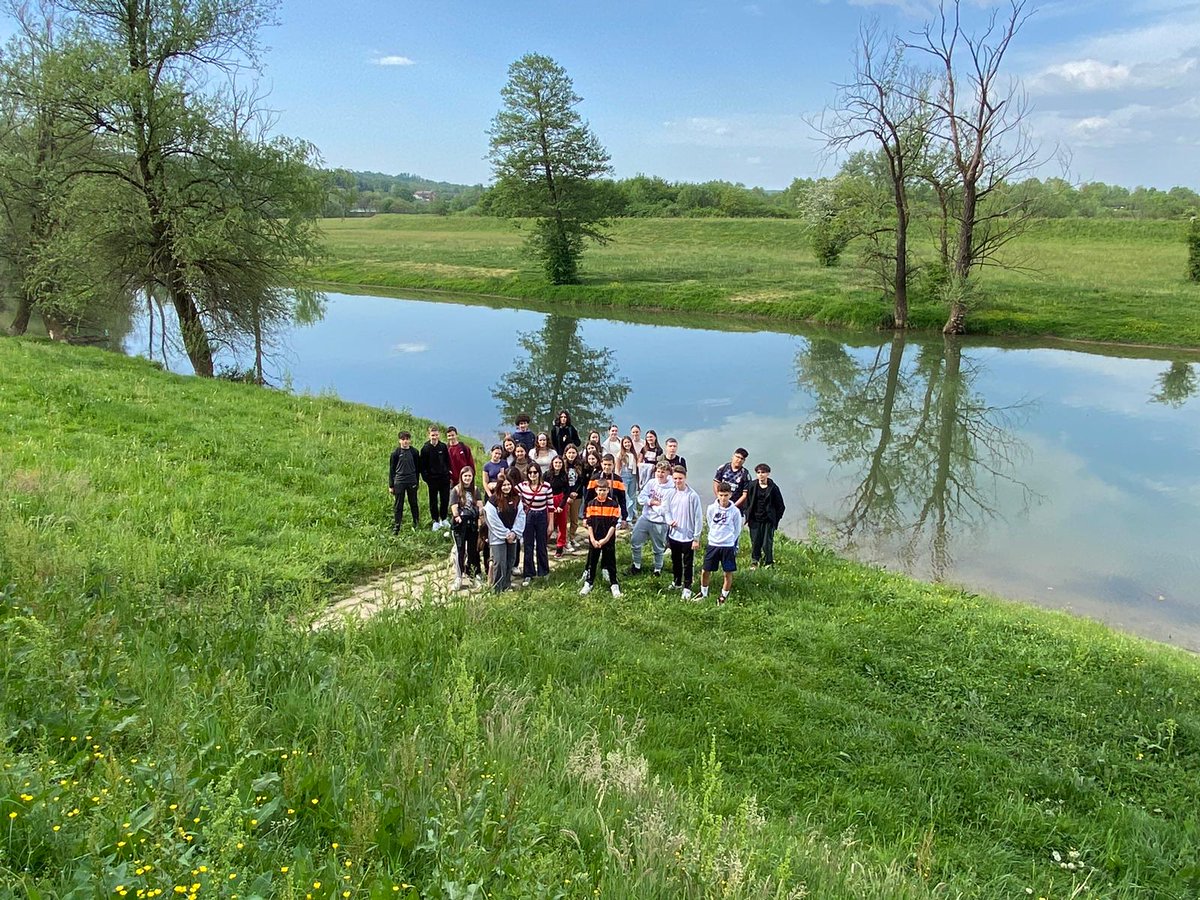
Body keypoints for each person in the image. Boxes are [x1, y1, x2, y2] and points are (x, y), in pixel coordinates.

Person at [663, 465, 704, 600]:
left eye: (680, 478)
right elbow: (666, 510)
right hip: (674, 534)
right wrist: (669, 521)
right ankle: (677, 582)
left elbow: (698, 518)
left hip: (688, 536)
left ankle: (687, 587)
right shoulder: (670, 493)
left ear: (685, 478)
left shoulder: (692, 496)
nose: (677, 481)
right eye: (675, 479)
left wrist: (696, 538)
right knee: (675, 560)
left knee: (688, 563)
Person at [701, 482, 743, 604]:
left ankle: (723, 596)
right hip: (713, 544)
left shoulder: (735, 511)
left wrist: (730, 540)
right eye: (721, 495)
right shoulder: (711, 508)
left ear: (730, 495)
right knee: (705, 570)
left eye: (726, 495)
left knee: (727, 572)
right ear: (717, 495)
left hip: (727, 545)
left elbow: (737, 529)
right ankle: (704, 594)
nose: (723, 498)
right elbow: (710, 523)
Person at [629, 461, 673, 576]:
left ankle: (657, 569)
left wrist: (652, 505)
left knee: (658, 547)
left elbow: (664, 509)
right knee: (635, 540)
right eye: (658, 471)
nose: (660, 474)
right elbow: (641, 498)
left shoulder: (671, 488)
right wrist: (651, 502)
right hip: (645, 517)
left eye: (663, 472)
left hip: (660, 522)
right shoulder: (651, 483)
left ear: (668, 473)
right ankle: (636, 565)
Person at [580, 479, 621, 598]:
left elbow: (614, 524)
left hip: (608, 538)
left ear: (608, 490)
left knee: (610, 561)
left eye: (604, 490)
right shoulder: (591, 504)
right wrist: (592, 539)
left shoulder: (613, 504)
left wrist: (606, 539)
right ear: (596, 490)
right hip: (595, 538)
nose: (602, 492)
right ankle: (589, 582)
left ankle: (614, 584)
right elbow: (590, 523)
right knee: (592, 562)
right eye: (600, 490)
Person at [485, 474, 525, 593]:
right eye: (504, 485)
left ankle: (506, 585)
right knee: (499, 562)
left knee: (510, 560)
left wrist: (514, 532)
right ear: (499, 486)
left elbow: (521, 516)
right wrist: (505, 534)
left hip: (513, 536)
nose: (506, 487)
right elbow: (492, 520)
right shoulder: (493, 500)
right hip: (498, 537)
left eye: (508, 484)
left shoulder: (517, 498)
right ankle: (497, 589)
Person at [744, 463, 786, 568]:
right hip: (754, 519)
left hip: (768, 520)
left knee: (767, 543)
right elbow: (747, 502)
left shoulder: (774, 488)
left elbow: (780, 506)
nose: (761, 475)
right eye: (758, 473)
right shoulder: (752, 485)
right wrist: (747, 515)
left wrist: (775, 519)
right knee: (755, 542)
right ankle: (755, 561)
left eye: (763, 472)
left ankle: (768, 562)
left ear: (768, 474)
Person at [517, 464, 553, 583]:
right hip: (529, 516)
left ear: (539, 473)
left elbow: (551, 506)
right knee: (528, 545)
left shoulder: (546, 486)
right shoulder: (522, 486)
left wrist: (551, 524)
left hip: (542, 515)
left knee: (542, 545)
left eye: (535, 472)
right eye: (530, 472)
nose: (533, 475)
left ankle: (544, 571)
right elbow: (511, 492)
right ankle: (528, 573)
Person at [449, 468, 484, 589]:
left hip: (472, 524)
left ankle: (473, 575)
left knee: (473, 551)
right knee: (460, 551)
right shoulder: (456, 490)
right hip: (460, 525)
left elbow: (480, 506)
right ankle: (458, 577)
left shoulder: (475, 489)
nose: (467, 478)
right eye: (465, 476)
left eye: (469, 476)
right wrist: (458, 516)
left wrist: (479, 516)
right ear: (461, 477)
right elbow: (453, 507)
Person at [419, 426, 452, 531]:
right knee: (433, 500)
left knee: (445, 499)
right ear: (429, 435)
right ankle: (435, 520)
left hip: (444, 478)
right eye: (433, 435)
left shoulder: (443, 447)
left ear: (439, 435)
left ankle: (444, 518)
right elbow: (422, 466)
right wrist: (427, 479)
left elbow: (447, 461)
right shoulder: (425, 449)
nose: (435, 437)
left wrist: (448, 473)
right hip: (432, 480)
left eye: (436, 435)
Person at [388, 430, 421, 532]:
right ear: (399, 441)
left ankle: (416, 522)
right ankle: (397, 525)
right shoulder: (395, 454)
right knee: (398, 504)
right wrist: (391, 485)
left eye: (407, 439)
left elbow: (417, 468)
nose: (405, 441)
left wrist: (417, 481)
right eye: (403, 439)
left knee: (413, 503)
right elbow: (392, 470)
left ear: (410, 440)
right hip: (399, 481)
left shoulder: (415, 452)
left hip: (411, 481)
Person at [583, 454, 628, 525]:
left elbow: (622, 500)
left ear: (614, 465)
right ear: (601, 464)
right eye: (605, 464)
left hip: (611, 513)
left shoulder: (618, 480)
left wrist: (624, 518)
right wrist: (585, 516)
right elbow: (588, 498)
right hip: (596, 512)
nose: (607, 467)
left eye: (609, 465)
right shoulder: (594, 478)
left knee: (610, 534)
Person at [546, 454, 571, 558]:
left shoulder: (565, 475)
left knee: (562, 524)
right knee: (548, 523)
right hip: (549, 499)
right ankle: (543, 543)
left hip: (561, 500)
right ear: (552, 463)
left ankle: (560, 547)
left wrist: (561, 505)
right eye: (556, 462)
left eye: (560, 463)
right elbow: (544, 489)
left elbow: (567, 492)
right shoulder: (546, 475)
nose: (558, 464)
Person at [561, 444, 584, 550]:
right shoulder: (562, 466)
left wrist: (575, 492)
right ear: (566, 453)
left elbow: (581, 481)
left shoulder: (579, 465)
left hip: (577, 495)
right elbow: (562, 482)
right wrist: (568, 494)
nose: (571, 455)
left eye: (573, 452)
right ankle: (564, 540)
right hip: (565, 496)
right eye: (569, 452)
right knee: (565, 519)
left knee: (574, 519)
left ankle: (572, 537)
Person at [617, 435, 640, 523]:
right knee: (625, 497)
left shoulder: (634, 454)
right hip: (624, 476)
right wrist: (617, 479)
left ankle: (630, 517)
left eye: (628, 442)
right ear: (622, 444)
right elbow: (617, 468)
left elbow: (637, 468)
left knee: (632, 496)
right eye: (625, 442)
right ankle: (622, 517)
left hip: (633, 476)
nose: (627, 444)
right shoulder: (620, 454)